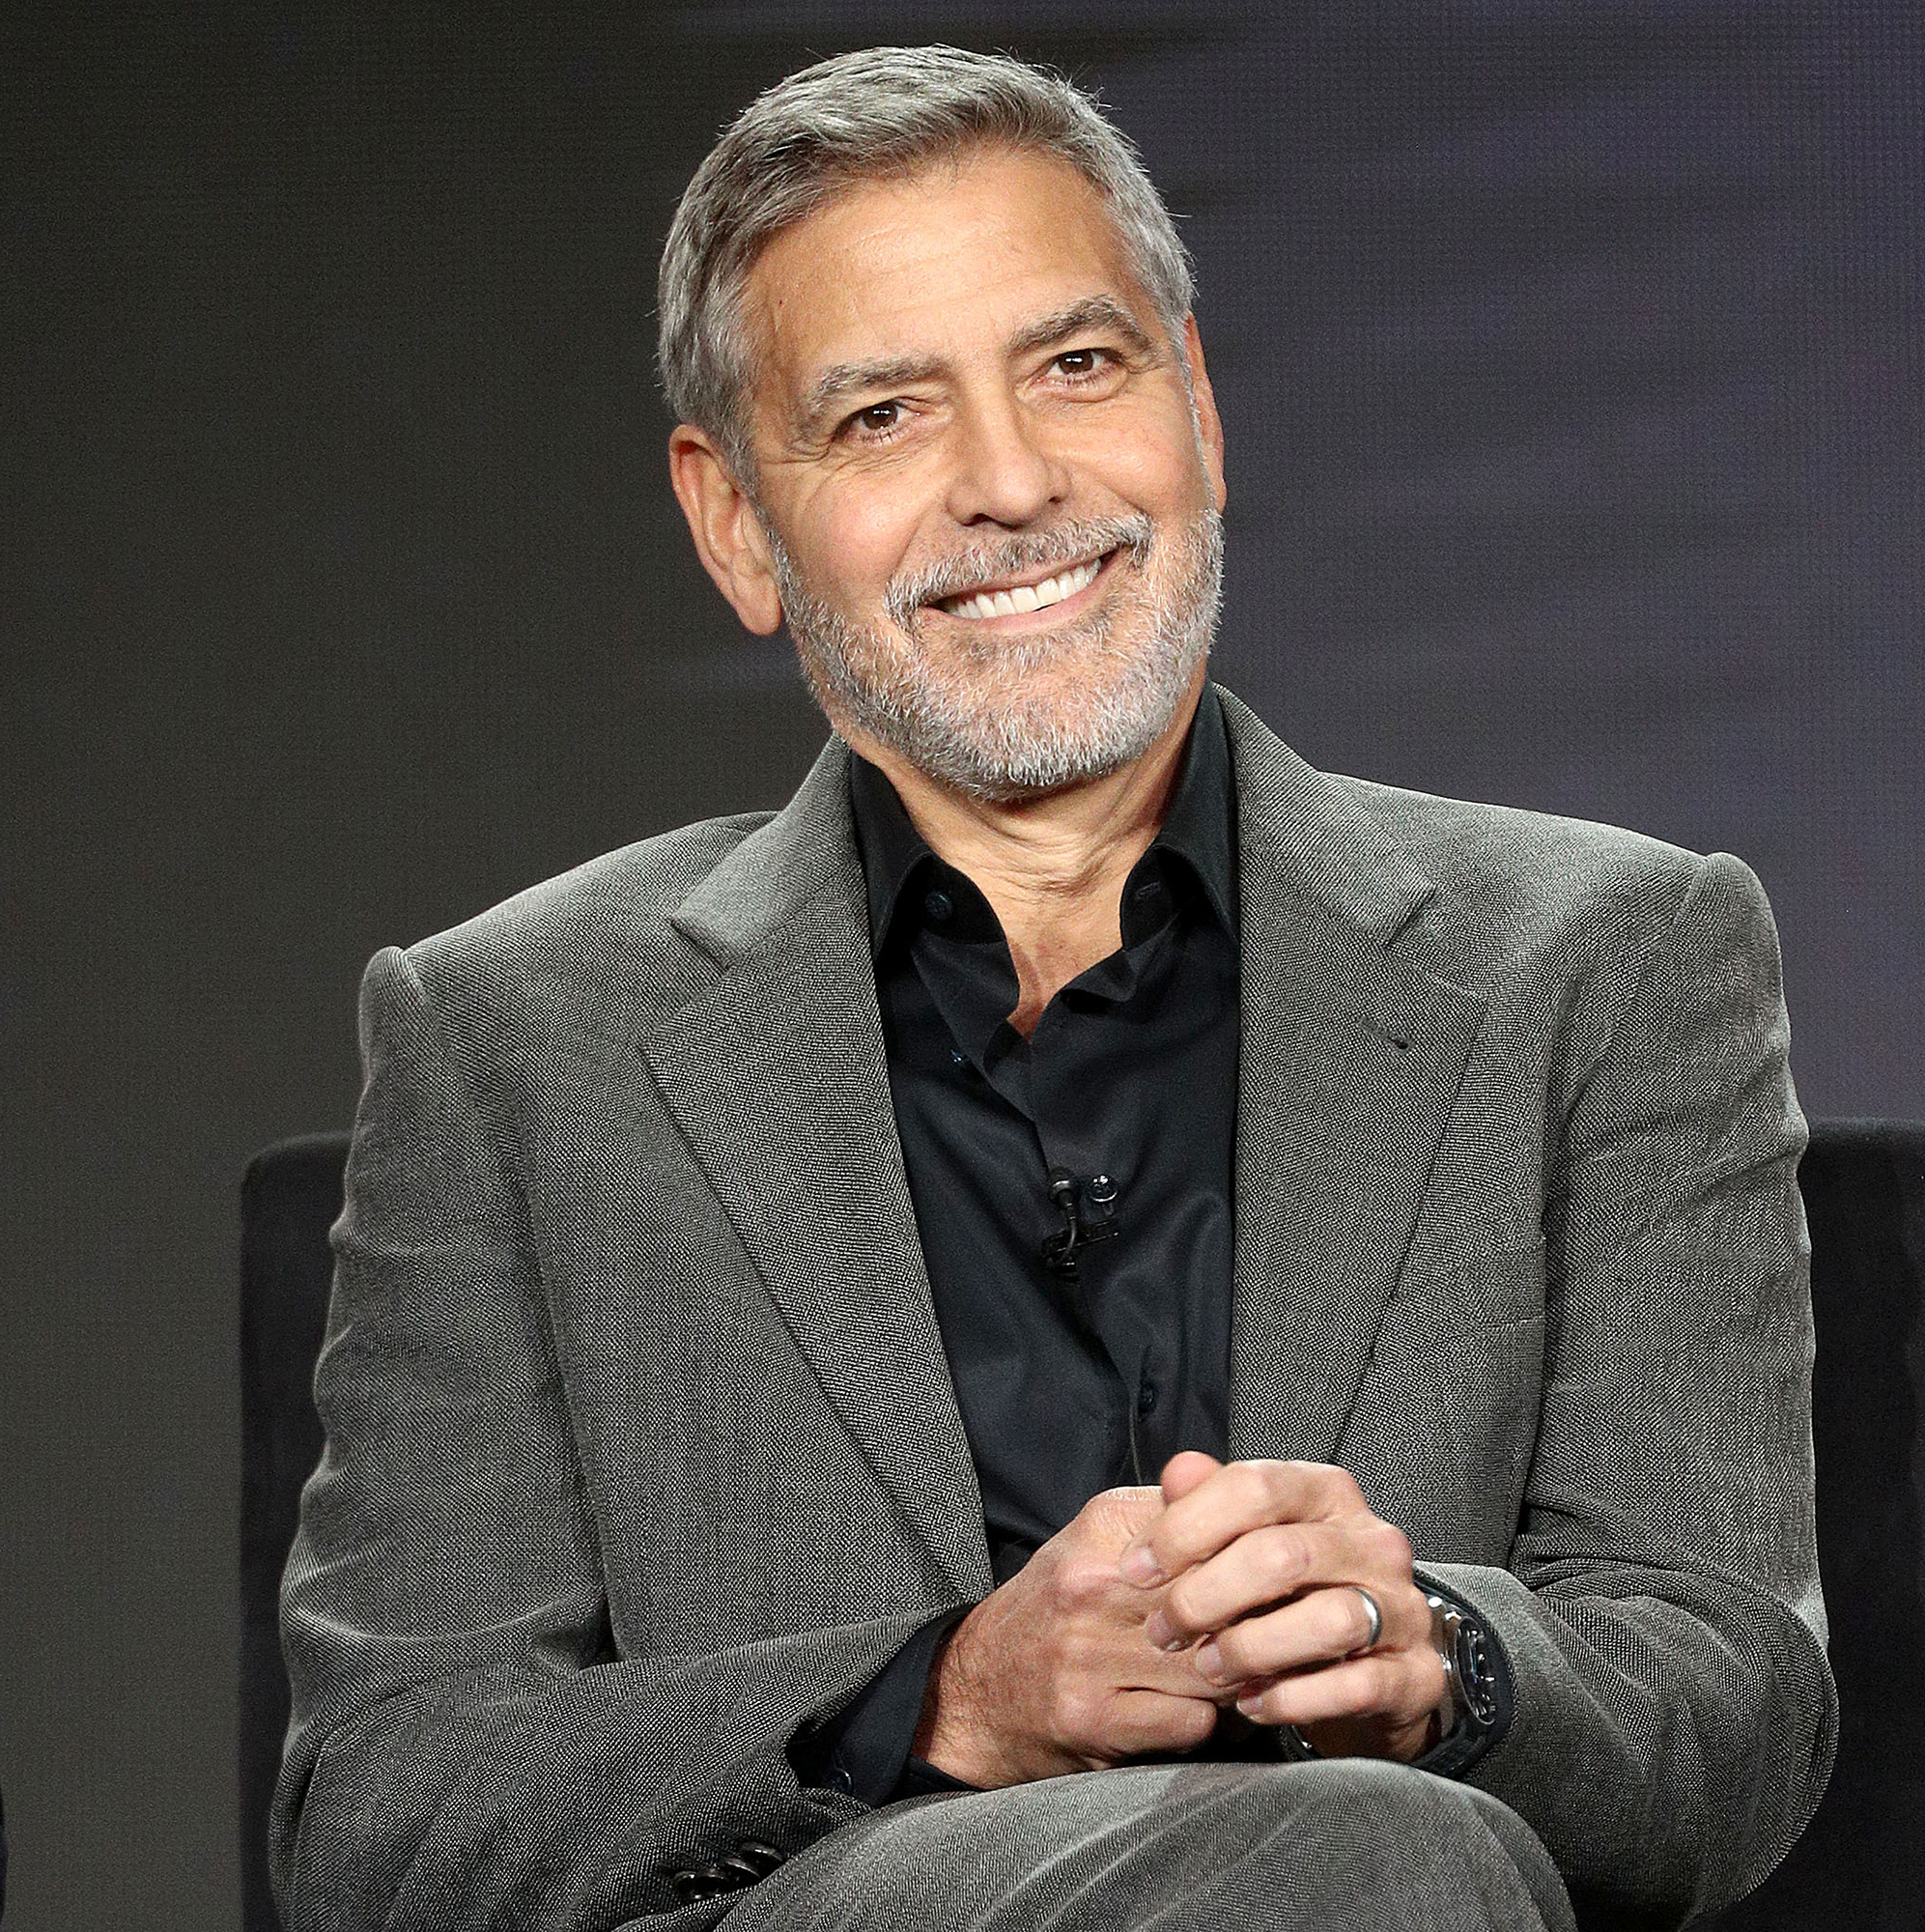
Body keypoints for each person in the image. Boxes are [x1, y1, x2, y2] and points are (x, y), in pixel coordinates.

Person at [271, 45, 1834, 1932]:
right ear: (734, 527)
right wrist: (945, 1700)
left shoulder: (1611, 960)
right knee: (1372, 1854)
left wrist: (1440, 1655)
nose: (1012, 483)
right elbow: (390, 1812)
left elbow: (1733, 1718)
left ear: (1196, 406)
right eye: (880, 419)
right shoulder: (517, 1042)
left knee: (1389, 1842)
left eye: (1078, 367)